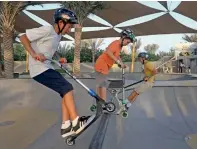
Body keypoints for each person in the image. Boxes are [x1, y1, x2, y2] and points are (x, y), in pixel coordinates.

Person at [19, 8, 94, 138]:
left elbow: (50, 49)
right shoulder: (48, 29)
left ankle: (66, 126)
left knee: (65, 92)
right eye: (69, 26)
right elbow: (23, 37)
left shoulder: (57, 35)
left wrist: (59, 57)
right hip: (39, 69)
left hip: (47, 67)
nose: (69, 30)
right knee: (67, 88)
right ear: (60, 22)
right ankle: (76, 122)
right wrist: (34, 53)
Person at [94, 29, 136, 101]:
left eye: (129, 43)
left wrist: (121, 63)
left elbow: (116, 55)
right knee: (102, 84)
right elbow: (108, 52)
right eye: (127, 41)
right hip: (102, 63)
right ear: (123, 37)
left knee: (101, 84)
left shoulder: (119, 46)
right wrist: (118, 62)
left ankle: (99, 102)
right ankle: (102, 102)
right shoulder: (116, 43)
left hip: (104, 65)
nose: (127, 43)